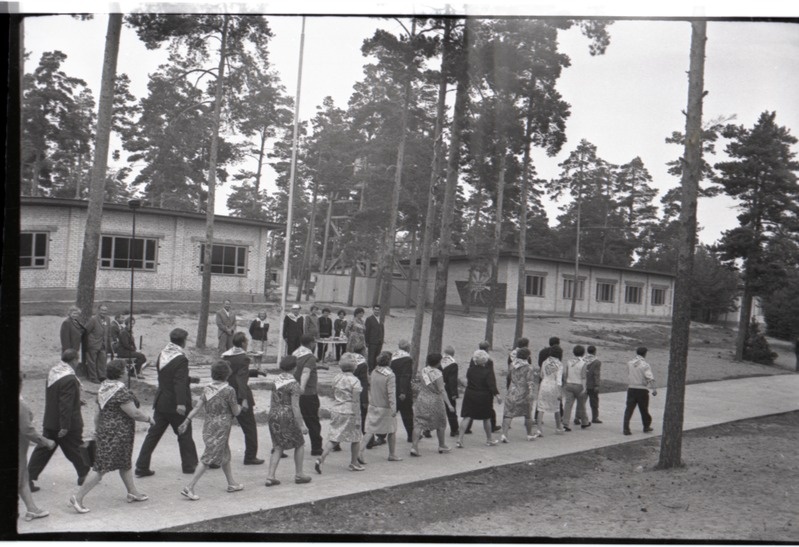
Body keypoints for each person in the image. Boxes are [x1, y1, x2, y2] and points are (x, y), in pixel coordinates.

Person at [68, 360, 153, 514]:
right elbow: (134, 413)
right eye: (125, 370)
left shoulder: (103, 388)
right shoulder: (120, 392)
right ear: (120, 373)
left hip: (107, 432)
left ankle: (132, 492)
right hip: (118, 435)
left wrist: (97, 429)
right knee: (100, 468)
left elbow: (97, 413)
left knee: (124, 462)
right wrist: (149, 419)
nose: (127, 372)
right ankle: (77, 497)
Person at [135, 328, 199, 477]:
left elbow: (167, 377)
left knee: (153, 435)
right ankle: (189, 465)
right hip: (176, 403)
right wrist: (181, 403)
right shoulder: (181, 358)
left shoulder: (162, 354)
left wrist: (189, 379)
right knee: (184, 432)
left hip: (161, 401)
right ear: (183, 341)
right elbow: (178, 382)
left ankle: (141, 466)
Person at [178, 361, 244, 501]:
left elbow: (197, 408)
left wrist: (186, 420)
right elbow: (236, 412)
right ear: (227, 374)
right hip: (222, 426)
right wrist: (240, 405)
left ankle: (231, 483)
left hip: (209, 424)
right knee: (208, 457)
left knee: (224, 453)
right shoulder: (229, 390)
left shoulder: (207, 388)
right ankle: (189, 487)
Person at [28, 349, 90, 492]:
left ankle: (27, 478)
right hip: (67, 423)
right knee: (76, 448)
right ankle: (84, 475)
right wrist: (65, 426)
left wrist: (76, 401)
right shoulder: (69, 378)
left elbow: (58, 397)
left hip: (51, 420)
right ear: (74, 360)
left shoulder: (54, 372)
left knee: (43, 449)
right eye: (77, 360)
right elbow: (65, 404)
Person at [314, 353, 365, 474]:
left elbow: (334, 392)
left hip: (337, 409)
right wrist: (358, 417)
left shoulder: (337, 378)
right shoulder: (355, 381)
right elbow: (356, 401)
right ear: (354, 367)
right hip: (350, 411)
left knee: (335, 437)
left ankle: (321, 458)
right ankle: (354, 462)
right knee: (356, 437)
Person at [264, 356, 311, 486]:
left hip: (273, 414)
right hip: (287, 416)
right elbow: (295, 406)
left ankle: (270, 476)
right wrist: (301, 425)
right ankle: (299, 474)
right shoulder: (294, 384)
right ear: (294, 368)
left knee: (277, 446)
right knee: (299, 443)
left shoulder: (276, 381)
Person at [222, 332, 264, 465]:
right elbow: (241, 379)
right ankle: (250, 456)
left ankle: (215, 457)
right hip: (240, 396)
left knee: (223, 427)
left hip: (226, 393)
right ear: (244, 343)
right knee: (249, 427)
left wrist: (255, 372)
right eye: (246, 341)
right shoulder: (244, 358)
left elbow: (233, 374)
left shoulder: (225, 355)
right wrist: (244, 399)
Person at [19, 375, 56, 522]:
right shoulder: (20, 405)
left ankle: (31, 509)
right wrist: (45, 441)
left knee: (22, 477)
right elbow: (27, 430)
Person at [359, 351, 402, 463]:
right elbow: (391, 394)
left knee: (370, 430)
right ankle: (392, 454)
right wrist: (393, 408)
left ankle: (360, 451)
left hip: (373, 404)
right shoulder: (390, 375)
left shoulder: (374, 371)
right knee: (392, 430)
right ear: (389, 361)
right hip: (385, 407)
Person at [410, 353, 454, 456]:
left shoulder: (423, 370)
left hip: (422, 398)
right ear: (438, 362)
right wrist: (449, 404)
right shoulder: (437, 373)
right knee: (441, 422)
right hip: (435, 400)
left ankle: (414, 446)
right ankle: (442, 445)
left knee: (418, 423)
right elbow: (442, 390)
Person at [293, 334, 329, 457]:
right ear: (311, 343)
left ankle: (281, 446)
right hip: (308, 392)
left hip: (294, 390)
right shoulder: (310, 357)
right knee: (312, 420)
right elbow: (306, 372)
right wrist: (302, 387)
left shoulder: (295, 354)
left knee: (293, 418)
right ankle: (316, 447)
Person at [457, 350, 501, 448]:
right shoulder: (487, 372)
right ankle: (489, 439)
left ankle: (460, 439)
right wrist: (497, 395)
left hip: (470, 394)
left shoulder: (470, 370)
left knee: (467, 417)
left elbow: (467, 380)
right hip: (484, 396)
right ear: (485, 360)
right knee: (486, 418)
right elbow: (491, 385)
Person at [501, 348, 538, 442]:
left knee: (508, 414)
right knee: (528, 414)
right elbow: (530, 382)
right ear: (527, 356)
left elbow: (509, 376)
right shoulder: (529, 367)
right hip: (523, 393)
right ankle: (529, 434)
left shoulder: (512, 365)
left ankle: (504, 435)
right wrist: (531, 392)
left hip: (512, 391)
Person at [464, 341, 500, 434]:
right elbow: (491, 376)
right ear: (487, 349)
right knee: (489, 408)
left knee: (470, 410)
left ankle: (467, 428)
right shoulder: (488, 360)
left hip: (473, 386)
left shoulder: (474, 358)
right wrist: (495, 391)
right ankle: (492, 426)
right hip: (484, 387)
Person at [623, 346, 657, 435]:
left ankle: (625, 428)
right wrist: (654, 389)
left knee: (629, 409)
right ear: (645, 354)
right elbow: (649, 377)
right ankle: (646, 426)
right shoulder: (645, 365)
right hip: (642, 389)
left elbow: (628, 374)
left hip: (631, 388)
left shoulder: (629, 363)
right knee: (644, 409)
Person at [390, 339, 415, 443]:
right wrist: (403, 391)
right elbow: (405, 376)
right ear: (407, 348)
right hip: (402, 390)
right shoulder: (407, 360)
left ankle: (381, 436)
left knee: (391, 412)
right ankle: (411, 434)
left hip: (393, 387)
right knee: (407, 413)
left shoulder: (393, 356)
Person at [537, 346, 565, 434]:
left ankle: (539, 429)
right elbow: (559, 380)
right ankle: (558, 427)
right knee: (556, 408)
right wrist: (560, 392)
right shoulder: (559, 364)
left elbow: (541, 375)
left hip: (544, 384)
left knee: (541, 407)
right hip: (553, 386)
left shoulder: (545, 362)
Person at [562, 345, 590, 431]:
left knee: (568, 404)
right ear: (583, 353)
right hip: (579, 385)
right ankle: (584, 422)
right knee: (581, 404)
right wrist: (585, 387)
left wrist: (565, 383)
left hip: (569, 383)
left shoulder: (569, 361)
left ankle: (565, 422)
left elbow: (566, 374)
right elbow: (583, 377)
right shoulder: (583, 363)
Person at [84, 303, 111, 383]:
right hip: (93, 344)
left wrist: (108, 343)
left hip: (103, 344)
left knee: (102, 361)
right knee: (92, 361)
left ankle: (102, 376)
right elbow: (86, 331)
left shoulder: (108, 319)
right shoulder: (93, 319)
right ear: (98, 310)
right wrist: (89, 342)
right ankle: (93, 377)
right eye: (102, 310)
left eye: (105, 310)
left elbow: (108, 332)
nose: (104, 312)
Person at [60, 306, 85, 375]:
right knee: (67, 365)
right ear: (70, 313)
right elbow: (65, 338)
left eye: (77, 314)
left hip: (75, 348)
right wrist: (68, 351)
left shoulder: (76, 322)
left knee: (73, 365)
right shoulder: (66, 322)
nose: (75, 315)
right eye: (74, 313)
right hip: (69, 349)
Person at [441, 346, 460, 437]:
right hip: (448, 390)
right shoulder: (453, 364)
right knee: (451, 410)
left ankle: (427, 430)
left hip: (438, 388)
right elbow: (453, 380)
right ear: (452, 354)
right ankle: (454, 429)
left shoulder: (439, 361)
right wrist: (454, 393)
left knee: (436, 410)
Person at [350, 348, 370, 434]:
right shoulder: (363, 364)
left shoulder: (349, 359)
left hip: (348, 391)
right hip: (358, 392)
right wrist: (365, 400)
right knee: (362, 414)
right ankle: (363, 432)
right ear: (362, 352)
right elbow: (364, 383)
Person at [584, 345, 603, 424]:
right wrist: (597, 385)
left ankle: (577, 417)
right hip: (592, 385)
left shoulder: (583, 359)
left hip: (583, 384)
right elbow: (596, 374)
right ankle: (595, 417)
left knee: (582, 402)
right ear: (595, 351)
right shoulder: (597, 362)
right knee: (594, 402)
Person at [364, 305, 385, 372]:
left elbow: (382, 329)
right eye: (375, 310)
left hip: (379, 341)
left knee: (378, 356)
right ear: (373, 310)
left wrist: (382, 339)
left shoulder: (381, 319)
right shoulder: (369, 319)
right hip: (372, 341)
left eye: (378, 310)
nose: (377, 311)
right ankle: (371, 370)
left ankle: (376, 369)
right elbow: (367, 331)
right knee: (371, 356)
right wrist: (367, 341)